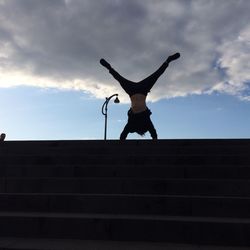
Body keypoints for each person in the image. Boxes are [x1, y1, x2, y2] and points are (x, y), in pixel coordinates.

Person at [100, 53, 180, 140]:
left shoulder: (133, 123)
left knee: (120, 78)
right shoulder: (143, 122)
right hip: (142, 90)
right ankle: (167, 61)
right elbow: (153, 134)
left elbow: (124, 135)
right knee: (156, 75)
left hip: (133, 91)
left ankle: (109, 67)